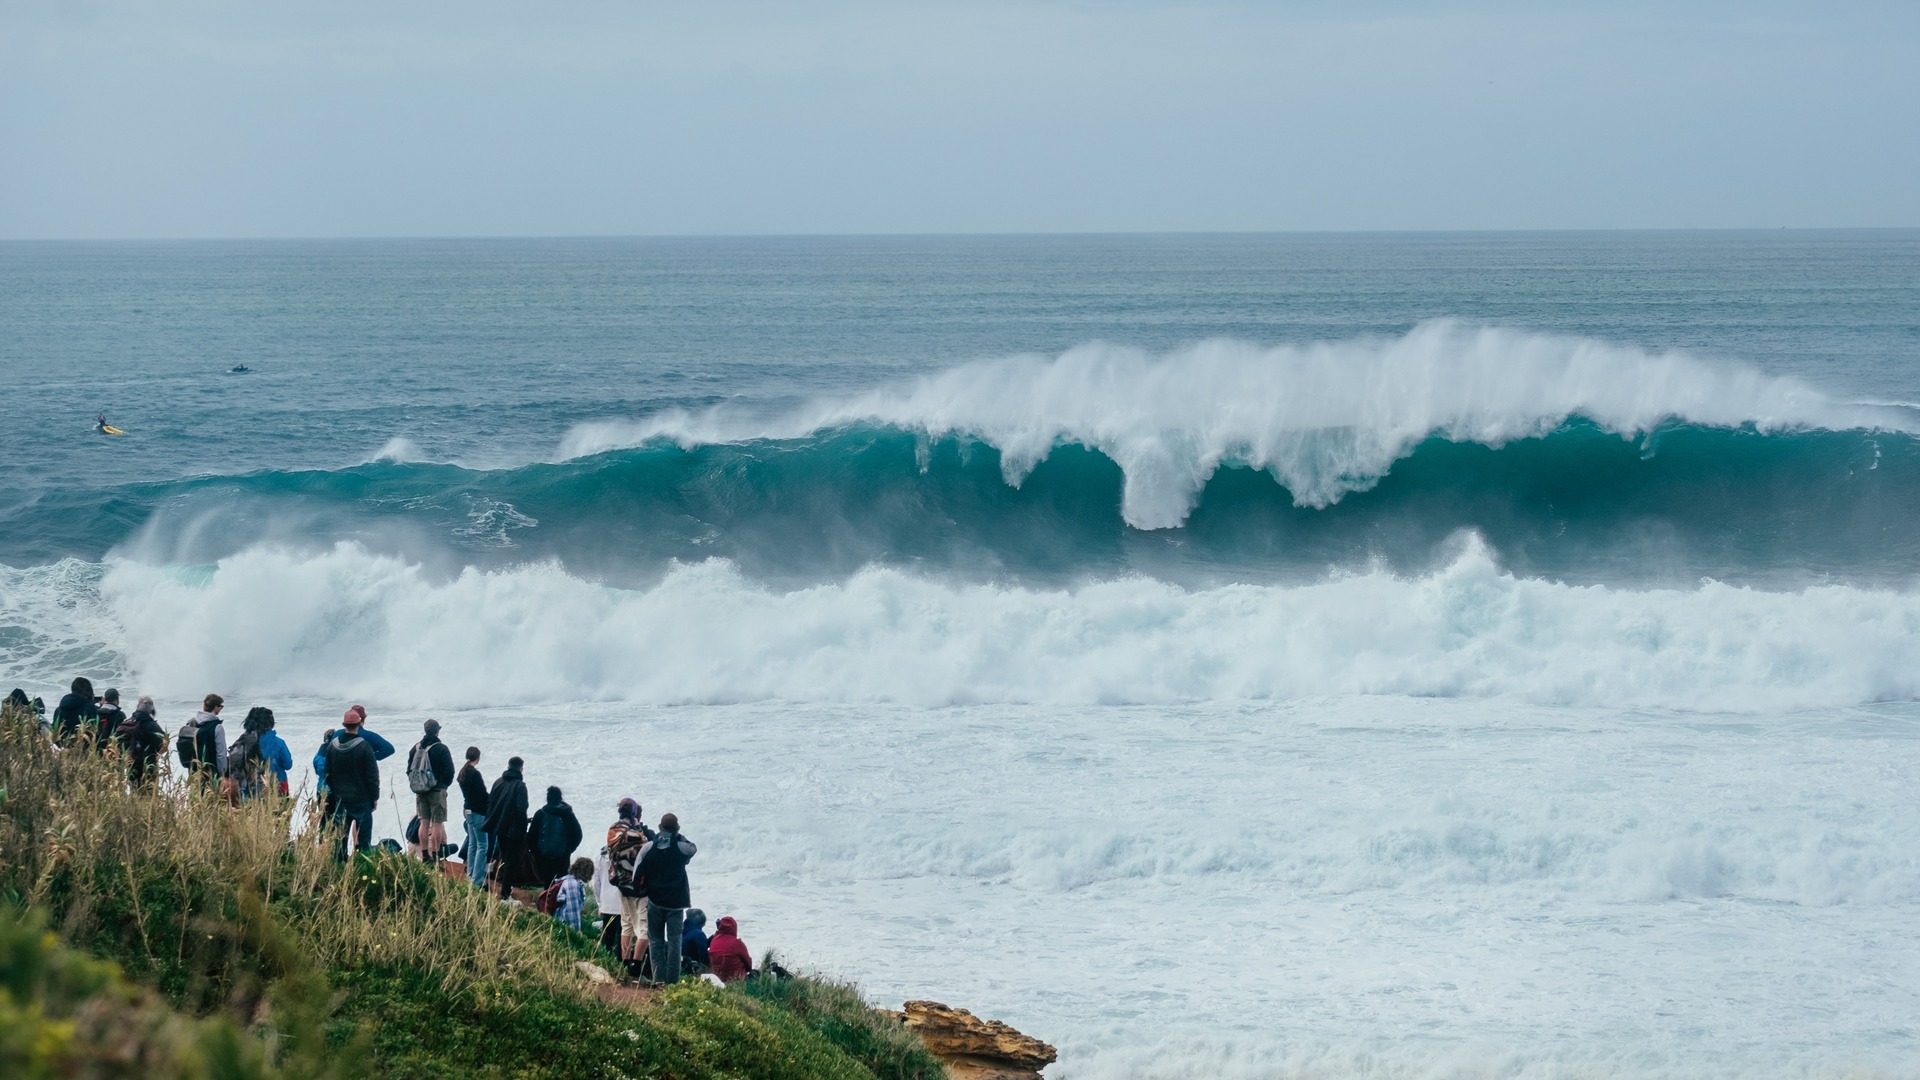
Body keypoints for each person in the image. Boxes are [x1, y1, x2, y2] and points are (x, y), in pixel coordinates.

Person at [637, 813, 698, 984]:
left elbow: (636, 874)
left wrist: (644, 891)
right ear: (676, 828)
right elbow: (693, 847)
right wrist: (677, 836)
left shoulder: (649, 847)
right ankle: (672, 982)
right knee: (674, 941)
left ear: (660, 827)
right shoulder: (681, 847)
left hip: (655, 901)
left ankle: (658, 979)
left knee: (655, 940)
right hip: (676, 904)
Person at [321, 708, 380, 859]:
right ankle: (361, 865)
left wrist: (335, 792)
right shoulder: (364, 746)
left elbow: (327, 774)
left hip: (341, 799)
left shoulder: (332, 746)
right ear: (359, 723)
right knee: (364, 840)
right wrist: (374, 798)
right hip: (362, 800)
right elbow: (372, 777)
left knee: (340, 838)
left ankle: (339, 866)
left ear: (344, 724)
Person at [604, 799, 656, 964]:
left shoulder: (613, 829)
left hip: (620, 883)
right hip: (638, 886)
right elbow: (647, 850)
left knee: (626, 924)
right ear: (634, 813)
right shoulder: (634, 834)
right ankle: (635, 965)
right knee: (644, 930)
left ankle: (624, 962)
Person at [406, 720, 457, 866]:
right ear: (437, 731)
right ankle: (435, 855)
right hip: (437, 790)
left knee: (424, 822)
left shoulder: (415, 748)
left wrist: (419, 785)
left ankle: (424, 855)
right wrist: (443, 785)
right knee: (437, 823)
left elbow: (409, 770)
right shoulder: (441, 748)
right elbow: (449, 772)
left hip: (420, 791)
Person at [481, 756, 530, 899]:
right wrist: (523, 827)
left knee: (504, 858)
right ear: (521, 768)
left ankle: (503, 887)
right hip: (514, 830)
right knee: (511, 862)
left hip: (499, 828)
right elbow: (522, 809)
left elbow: (490, 803)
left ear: (509, 766)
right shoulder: (520, 786)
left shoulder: (498, 782)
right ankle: (505, 893)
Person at [527, 786, 584, 887]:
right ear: (560, 798)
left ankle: (547, 901)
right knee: (561, 884)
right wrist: (568, 849)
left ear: (548, 798)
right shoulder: (568, 814)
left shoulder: (540, 814)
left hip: (544, 857)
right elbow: (578, 835)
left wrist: (537, 853)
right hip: (563, 857)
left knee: (547, 885)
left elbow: (531, 837)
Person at [456, 746, 490, 887]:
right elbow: (482, 794)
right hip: (477, 812)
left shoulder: (463, 773)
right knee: (482, 845)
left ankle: (470, 874)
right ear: (478, 757)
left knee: (472, 844)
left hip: (468, 810)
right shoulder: (475, 774)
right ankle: (477, 880)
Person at [179, 694, 228, 786]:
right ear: (216, 707)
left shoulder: (191, 723)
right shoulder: (217, 727)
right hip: (211, 773)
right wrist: (222, 774)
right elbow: (221, 754)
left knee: (196, 798)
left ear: (204, 706)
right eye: (221, 706)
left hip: (194, 772)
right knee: (213, 799)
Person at [118, 696, 167, 785]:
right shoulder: (152, 726)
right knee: (149, 793)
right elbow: (163, 743)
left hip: (131, 765)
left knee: (134, 792)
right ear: (151, 710)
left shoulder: (129, 722)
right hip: (148, 766)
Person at [253, 708, 293, 797]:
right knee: (281, 810)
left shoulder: (250, 742)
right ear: (272, 723)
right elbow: (288, 765)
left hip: (257, 785)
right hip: (279, 783)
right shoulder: (279, 742)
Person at [51, 677, 99, 747]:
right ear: (89, 691)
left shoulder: (58, 710)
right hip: (84, 751)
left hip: (64, 750)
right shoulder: (89, 708)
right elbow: (96, 732)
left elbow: (55, 733)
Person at [707, 916, 753, 984]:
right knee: (755, 974)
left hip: (717, 979)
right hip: (736, 980)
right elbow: (749, 965)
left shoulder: (714, 941)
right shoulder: (737, 943)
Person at [554, 857, 594, 932]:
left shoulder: (567, 880)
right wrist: (577, 933)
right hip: (565, 926)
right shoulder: (573, 885)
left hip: (560, 924)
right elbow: (573, 912)